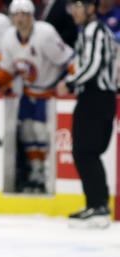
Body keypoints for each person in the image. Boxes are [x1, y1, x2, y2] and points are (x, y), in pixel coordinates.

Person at [0, 0, 73, 193]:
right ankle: (35, 174)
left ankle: (47, 175)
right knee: (27, 131)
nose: (20, 19)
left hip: (50, 91)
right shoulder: (9, 37)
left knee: (43, 132)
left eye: (24, 14)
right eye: (16, 15)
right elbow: (7, 70)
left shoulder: (45, 34)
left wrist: (71, 83)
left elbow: (69, 59)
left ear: (32, 16)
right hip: (28, 91)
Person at [59, 0, 117, 228]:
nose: (74, 11)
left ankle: (99, 205)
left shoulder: (96, 31)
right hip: (94, 97)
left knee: (86, 152)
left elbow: (94, 65)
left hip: (96, 96)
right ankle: (96, 204)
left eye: (78, 6)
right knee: (85, 152)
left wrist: (71, 82)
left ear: (91, 8)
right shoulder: (90, 31)